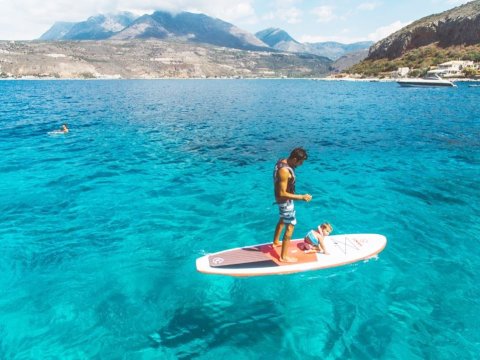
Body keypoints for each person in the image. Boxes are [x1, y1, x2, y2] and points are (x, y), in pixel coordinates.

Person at [272, 147, 312, 263]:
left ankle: (275, 242)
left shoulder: (282, 161)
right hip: (285, 201)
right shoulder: (284, 171)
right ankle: (283, 257)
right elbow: (282, 192)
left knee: (282, 219)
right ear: (294, 159)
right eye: (300, 162)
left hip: (282, 201)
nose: (301, 164)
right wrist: (302, 197)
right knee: (290, 225)